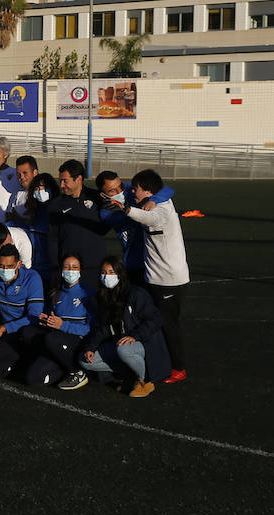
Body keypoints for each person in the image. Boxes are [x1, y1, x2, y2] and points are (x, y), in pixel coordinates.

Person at [113, 169, 190, 383]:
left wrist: (125, 209)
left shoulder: (163, 211)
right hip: (154, 278)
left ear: (147, 191)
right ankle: (161, 361)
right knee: (152, 320)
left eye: (136, 190)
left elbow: (148, 217)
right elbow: (165, 188)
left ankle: (178, 368)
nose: (132, 192)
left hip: (169, 281)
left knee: (168, 324)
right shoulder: (156, 197)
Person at [77, 256, 170, 398]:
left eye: (111, 272)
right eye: (103, 272)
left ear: (120, 274)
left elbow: (156, 319)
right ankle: (131, 372)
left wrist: (135, 335)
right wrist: (90, 347)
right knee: (86, 361)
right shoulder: (103, 297)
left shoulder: (136, 294)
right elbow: (103, 329)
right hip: (122, 343)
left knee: (124, 350)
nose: (106, 276)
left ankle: (144, 380)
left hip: (145, 343)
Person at [21, 254, 95, 388]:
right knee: (33, 378)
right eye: (66, 267)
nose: (70, 271)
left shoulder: (88, 293)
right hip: (57, 340)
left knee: (52, 339)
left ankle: (77, 372)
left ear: (80, 271)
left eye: (74, 267)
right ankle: (60, 363)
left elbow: (91, 329)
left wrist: (62, 325)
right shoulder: (56, 293)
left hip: (77, 341)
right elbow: (54, 320)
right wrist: (46, 321)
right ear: (61, 270)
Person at [96, 170, 175, 287]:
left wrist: (154, 200)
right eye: (112, 191)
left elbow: (167, 189)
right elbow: (133, 217)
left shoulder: (129, 188)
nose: (120, 192)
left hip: (156, 261)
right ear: (103, 195)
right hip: (135, 263)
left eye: (120, 186)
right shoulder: (106, 214)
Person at [0, 244, 47, 382]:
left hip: (29, 330)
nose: (5, 270)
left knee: (28, 335)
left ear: (19, 264)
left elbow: (34, 316)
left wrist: (3, 328)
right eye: (1, 266)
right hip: (10, 334)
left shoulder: (32, 278)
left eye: (10, 266)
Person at [47, 159, 106, 275]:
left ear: (78, 179)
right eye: (61, 180)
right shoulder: (56, 204)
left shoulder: (97, 198)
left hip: (95, 266)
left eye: (65, 181)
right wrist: (55, 266)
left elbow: (107, 225)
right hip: (69, 269)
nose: (62, 185)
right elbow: (52, 239)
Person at [10, 172, 57, 282]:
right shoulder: (33, 211)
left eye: (43, 187)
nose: (40, 191)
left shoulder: (57, 211)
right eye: (36, 188)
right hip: (33, 270)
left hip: (52, 270)